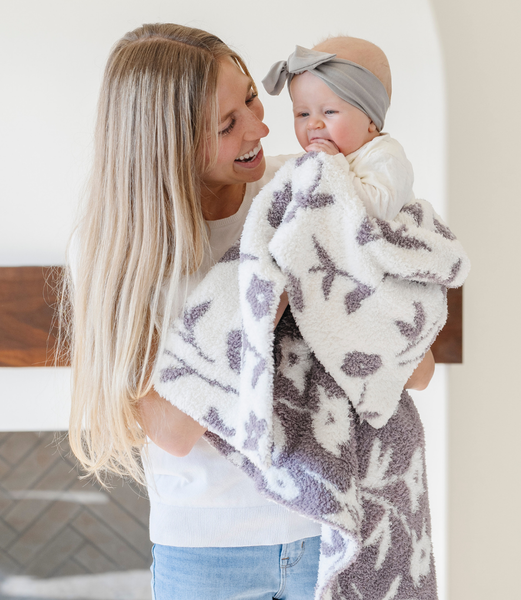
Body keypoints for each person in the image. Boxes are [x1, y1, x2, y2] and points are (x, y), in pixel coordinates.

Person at [65, 23, 434, 600]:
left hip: (334, 529)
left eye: (253, 99)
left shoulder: (307, 189)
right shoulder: (122, 252)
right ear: (167, 143)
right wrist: (265, 288)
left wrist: (319, 269)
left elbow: (417, 367)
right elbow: (172, 432)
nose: (261, 128)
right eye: (226, 124)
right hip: (210, 554)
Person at [262, 37, 414, 221]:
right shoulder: (318, 159)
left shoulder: (385, 156)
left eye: (329, 111)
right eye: (303, 114)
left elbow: (379, 211)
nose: (313, 124)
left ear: (371, 119)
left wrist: (334, 166)